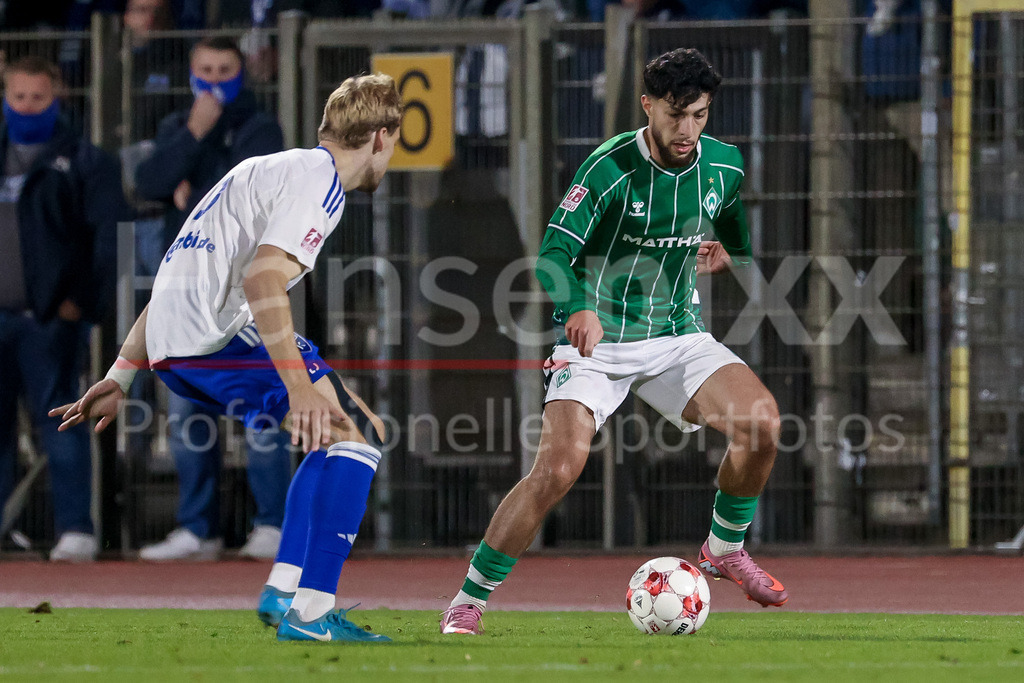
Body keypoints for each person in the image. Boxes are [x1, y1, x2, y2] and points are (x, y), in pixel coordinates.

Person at [440, 48, 787, 636]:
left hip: (676, 337)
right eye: (675, 114)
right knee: (557, 470)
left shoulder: (724, 166)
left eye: (699, 115)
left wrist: (731, 253)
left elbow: (732, 225)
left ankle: (723, 548)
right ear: (648, 105)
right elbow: (552, 254)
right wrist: (575, 306)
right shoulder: (608, 168)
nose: (687, 130)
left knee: (763, 424)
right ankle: (469, 598)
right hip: (598, 345)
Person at [51, 73, 403, 642]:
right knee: (351, 435)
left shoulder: (262, 169)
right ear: (383, 137)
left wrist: (121, 373)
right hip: (212, 341)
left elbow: (175, 279)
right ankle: (311, 615)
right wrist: (298, 385)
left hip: (174, 345)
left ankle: (284, 591)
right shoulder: (321, 185)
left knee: (348, 424)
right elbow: (264, 278)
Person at [132, 34, 292, 561]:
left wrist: (191, 171)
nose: (215, 79)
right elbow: (149, 181)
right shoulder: (179, 124)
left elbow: (244, 193)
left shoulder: (260, 125)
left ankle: (271, 523)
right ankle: (197, 530)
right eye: (206, 69)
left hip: (246, 289)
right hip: (190, 295)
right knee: (188, 416)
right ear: (192, 71)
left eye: (226, 69)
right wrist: (194, 135)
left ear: (242, 71)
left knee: (261, 414)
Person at [0, 56, 125, 561]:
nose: (27, 106)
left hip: (49, 320)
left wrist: (80, 304)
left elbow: (107, 242)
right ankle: (6, 526)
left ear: (58, 97)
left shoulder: (87, 161)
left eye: (38, 97)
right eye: (19, 97)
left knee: (62, 421)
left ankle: (77, 529)